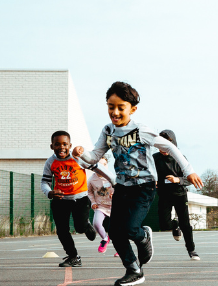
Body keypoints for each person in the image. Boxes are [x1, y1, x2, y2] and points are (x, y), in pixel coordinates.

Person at [73, 81, 204, 286]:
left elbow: (170, 147)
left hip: (144, 186)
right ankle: (134, 270)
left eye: (120, 107)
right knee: (115, 232)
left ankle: (143, 237)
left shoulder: (141, 130)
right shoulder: (108, 131)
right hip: (122, 186)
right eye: (110, 106)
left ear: (132, 109)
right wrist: (81, 154)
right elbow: (95, 155)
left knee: (131, 228)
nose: (114, 112)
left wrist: (189, 171)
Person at [42, 130, 97, 267]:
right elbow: (45, 182)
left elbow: (95, 162)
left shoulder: (77, 158)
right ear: (52, 146)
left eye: (65, 144)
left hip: (81, 198)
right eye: (57, 144)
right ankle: (73, 257)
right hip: (60, 199)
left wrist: (84, 152)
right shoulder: (51, 162)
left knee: (79, 227)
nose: (61, 147)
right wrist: (49, 192)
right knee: (61, 230)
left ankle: (86, 226)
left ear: (70, 145)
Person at [153, 129, 200, 261]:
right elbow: (149, 174)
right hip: (163, 195)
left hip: (179, 194)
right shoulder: (154, 159)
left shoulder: (180, 157)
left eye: (167, 143)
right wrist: (153, 180)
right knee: (164, 224)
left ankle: (192, 250)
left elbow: (189, 179)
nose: (164, 148)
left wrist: (177, 179)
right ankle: (175, 225)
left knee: (186, 224)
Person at [87, 156, 115, 255]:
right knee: (96, 223)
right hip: (101, 206)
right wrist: (93, 202)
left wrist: (115, 195)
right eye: (99, 164)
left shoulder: (111, 177)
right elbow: (89, 192)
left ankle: (120, 250)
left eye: (104, 164)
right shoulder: (92, 179)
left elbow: (119, 189)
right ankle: (104, 238)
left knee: (117, 229)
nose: (102, 167)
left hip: (113, 206)